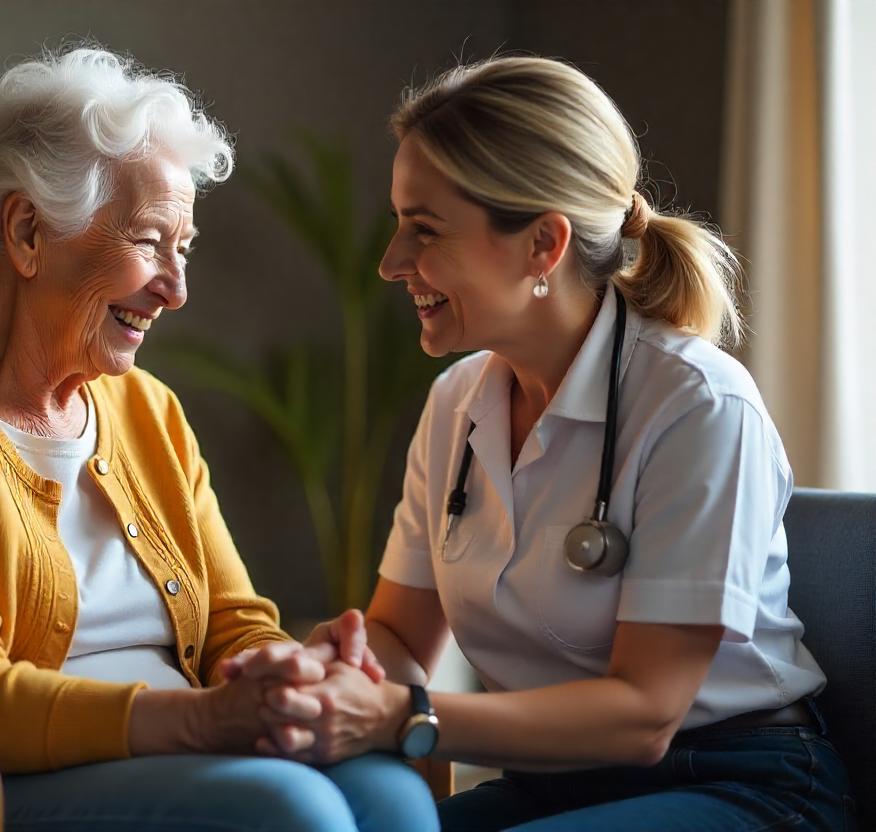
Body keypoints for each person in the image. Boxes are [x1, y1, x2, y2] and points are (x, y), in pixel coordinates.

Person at [0, 46, 438, 832]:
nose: (177, 287)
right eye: (151, 240)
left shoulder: (147, 410)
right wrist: (206, 721)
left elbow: (233, 621)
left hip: (169, 767)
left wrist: (290, 669)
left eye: (182, 248)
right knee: (293, 811)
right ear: (26, 231)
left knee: (391, 794)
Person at [231, 57, 856, 832]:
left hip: (738, 783)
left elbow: (644, 714)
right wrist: (333, 673)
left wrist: (400, 715)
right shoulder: (456, 404)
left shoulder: (697, 405)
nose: (392, 264)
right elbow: (398, 636)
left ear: (542, 246)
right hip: (551, 790)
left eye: (423, 230)